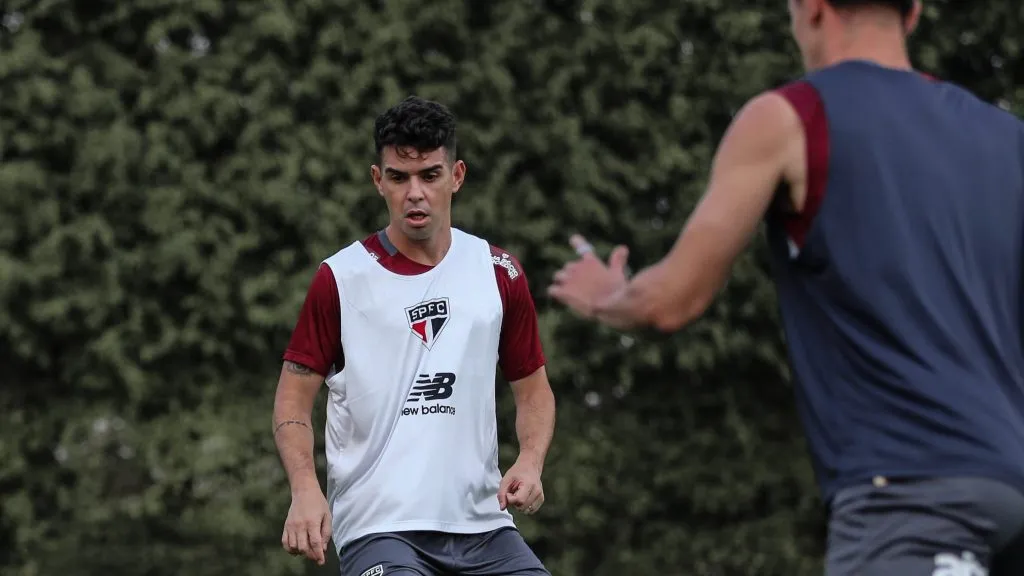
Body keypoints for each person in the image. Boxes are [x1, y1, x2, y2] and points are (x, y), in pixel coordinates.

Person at [548, 0, 1024, 574]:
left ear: (812, 8)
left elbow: (671, 300)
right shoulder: (1007, 138)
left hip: (913, 495)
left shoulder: (792, 117)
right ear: (915, 12)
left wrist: (604, 295)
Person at [272, 95, 556, 576]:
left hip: (484, 525)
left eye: (430, 175)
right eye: (399, 178)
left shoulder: (498, 271)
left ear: (457, 176)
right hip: (380, 528)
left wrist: (530, 462)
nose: (415, 193)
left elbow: (533, 391)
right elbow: (292, 402)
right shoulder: (340, 279)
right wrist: (305, 489)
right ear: (378, 181)